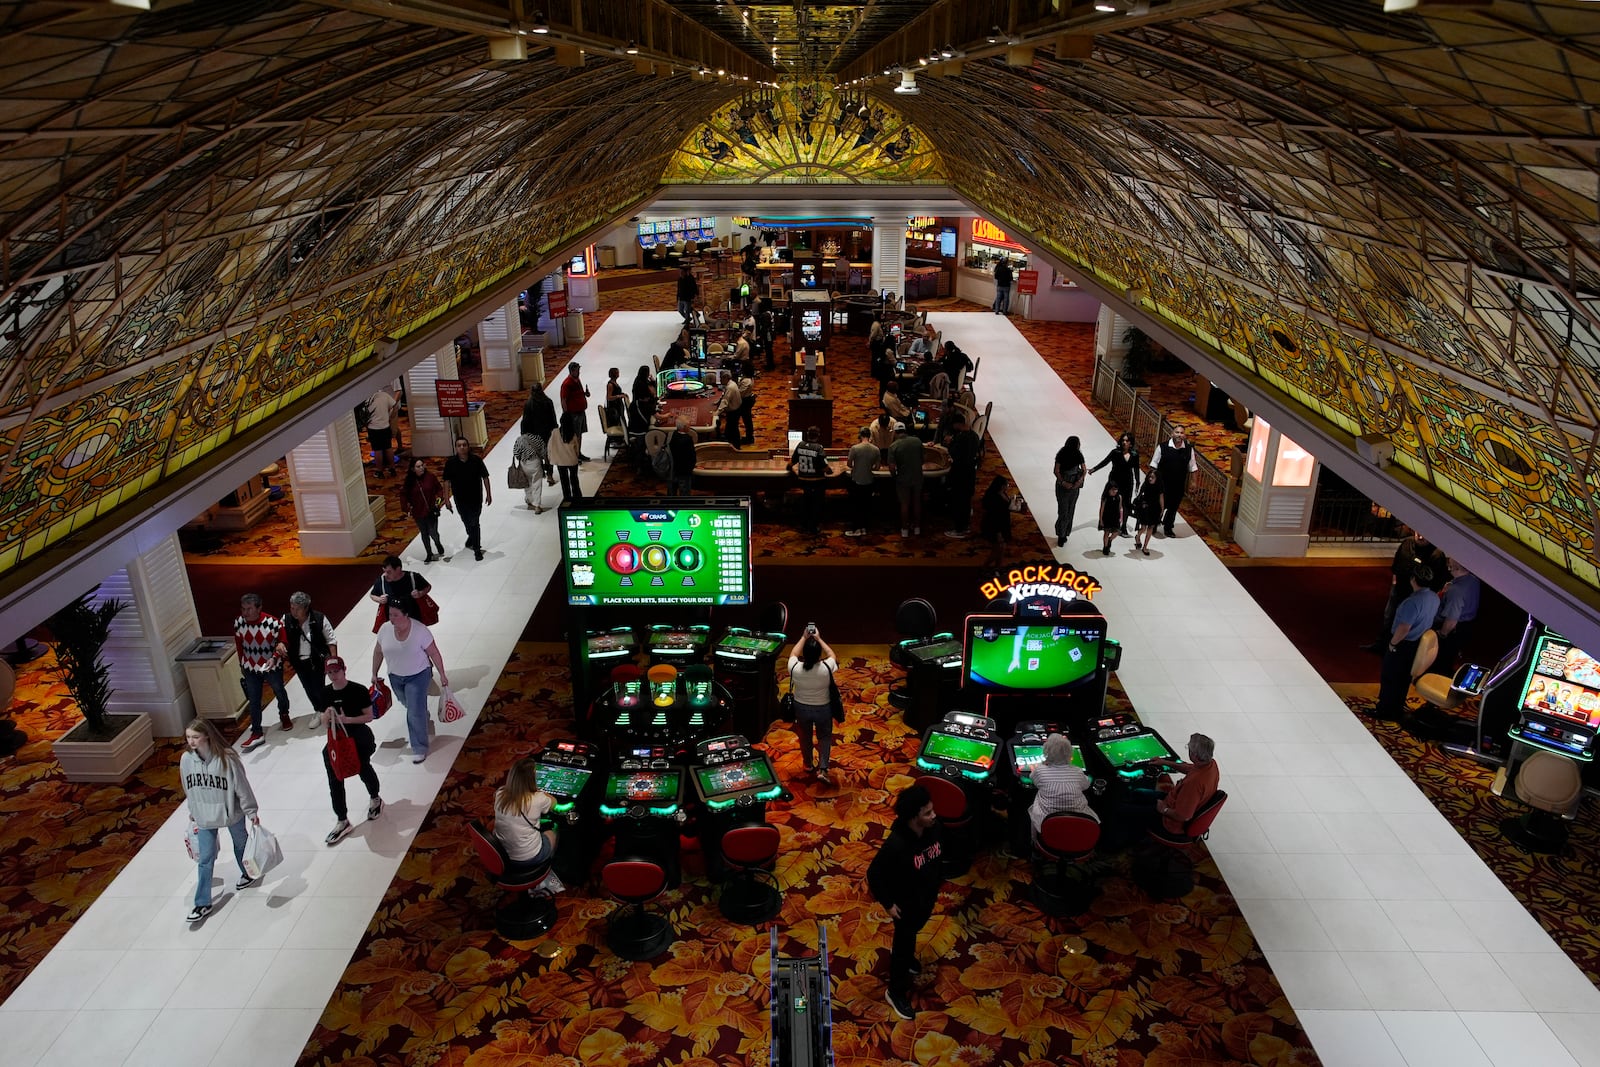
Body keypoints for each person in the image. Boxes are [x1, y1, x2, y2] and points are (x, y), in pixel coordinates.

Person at [867, 783, 944, 1021]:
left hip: (926, 897)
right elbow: (874, 874)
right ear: (913, 817)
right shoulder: (897, 845)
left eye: (932, 810)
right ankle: (896, 991)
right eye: (927, 813)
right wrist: (888, 904)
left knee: (914, 933)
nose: (934, 816)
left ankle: (908, 957)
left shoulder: (932, 829)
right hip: (905, 905)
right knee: (903, 945)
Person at [180, 718, 261, 922]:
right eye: (189, 737)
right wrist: (193, 809)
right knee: (205, 859)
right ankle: (202, 903)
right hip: (204, 816)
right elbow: (188, 788)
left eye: (195, 737)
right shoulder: (186, 760)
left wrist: (251, 810)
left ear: (207, 735)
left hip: (230, 812)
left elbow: (242, 786)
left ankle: (248, 873)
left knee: (241, 844)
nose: (191, 741)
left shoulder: (227, 758)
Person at [1104, 733, 1220, 850]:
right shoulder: (1210, 765)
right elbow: (1189, 769)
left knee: (1121, 810)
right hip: (1176, 801)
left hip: (1171, 821)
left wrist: (1163, 809)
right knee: (1138, 793)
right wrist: (1165, 762)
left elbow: (1184, 816)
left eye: (1188, 748)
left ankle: (1115, 844)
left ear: (1194, 755)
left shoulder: (1194, 784)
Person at [372, 601, 448, 763]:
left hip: (418, 675)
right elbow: (378, 652)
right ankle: (421, 712)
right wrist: (374, 672)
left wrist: (442, 674)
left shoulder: (420, 631)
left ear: (406, 614)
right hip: (395, 677)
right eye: (390, 615)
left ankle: (419, 747)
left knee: (413, 712)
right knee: (408, 704)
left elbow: (434, 653)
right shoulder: (385, 629)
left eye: (396, 615)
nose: (392, 619)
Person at [319, 656, 383, 846]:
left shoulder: (358, 690)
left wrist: (347, 720)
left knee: (363, 768)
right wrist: (328, 717)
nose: (333, 676)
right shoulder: (325, 693)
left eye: (336, 671)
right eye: (329, 673)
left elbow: (369, 716)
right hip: (336, 742)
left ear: (344, 669)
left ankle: (375, 798)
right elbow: (323, 721)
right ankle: (342, 819)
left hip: (359, 738)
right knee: (335, 778)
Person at [1374, 564, 1441, 719]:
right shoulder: (1434, 597)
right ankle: (1396, 707)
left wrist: (1392, 644)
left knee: (1390, 677)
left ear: (1413, 580)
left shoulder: (1412, 602)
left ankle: (1384, 710)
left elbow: (1404, 628)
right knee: (1403, 678)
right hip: (1417, 644)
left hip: (1403, 644)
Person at [1366, 529, 1448, 652]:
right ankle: (1381, 644)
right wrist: (1394, 583)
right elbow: (1396, 564)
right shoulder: (1407, 544)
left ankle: (1395, 647)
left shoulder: (1437, 554)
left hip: (1417, 597)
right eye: (1418, 533)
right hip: (1399, 589)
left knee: (1407, 623)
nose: (1420, 537)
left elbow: (1438, 581)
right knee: (1389, 617)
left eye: (1424, 535)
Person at [494, 757, 566, 893]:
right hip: (529, 858)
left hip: (501, 854)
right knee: (554, 829)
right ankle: (548, 868)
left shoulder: (499, 794)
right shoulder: (537, 799)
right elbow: (554, 803)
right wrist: (539, 791)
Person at [234, 593, 290, 750]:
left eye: (249, 609)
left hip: (271, 665)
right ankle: (256, 731)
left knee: (279, 690)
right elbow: (239, 645)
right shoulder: (239, 623)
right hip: (250, 667)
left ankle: (284, 713)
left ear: (259, 608)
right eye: (243, 609)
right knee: (253, 699)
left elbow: (283, 643)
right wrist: (242, 664)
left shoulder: (274, 624)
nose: (245, 613)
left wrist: (275, 657)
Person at [278, 590, 337, 728]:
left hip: (316, 661)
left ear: (306, 608)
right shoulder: (285, 620)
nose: (293, 611)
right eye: (292, 608)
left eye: (297, 609)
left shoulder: (319, 618)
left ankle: (325, 711)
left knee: (318, 687)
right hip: (298, 662)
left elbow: (331, 640)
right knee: (308, 688)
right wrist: (280, 643)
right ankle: (318, 709)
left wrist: (333, 661)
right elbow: (279, 637)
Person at [788, 625, 839, 784]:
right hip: (823, 708)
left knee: (805, 737)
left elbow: (793, 653)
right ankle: (823, 768)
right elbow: (832, 654)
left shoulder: (795, 667)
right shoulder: (826, 668)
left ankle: (808, 764)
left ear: (804, 654)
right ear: (819, 655)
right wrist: (818, 638)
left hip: (801, 708)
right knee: (824, 737)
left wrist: (804, 637)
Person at [1029, 734, 1098, 832]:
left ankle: (1034, 839)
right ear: (1070, 753)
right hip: (1079, 823)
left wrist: (1035, 769)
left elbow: (1034, 780)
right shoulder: (1078, 771)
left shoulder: (1040, 771)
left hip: (1047, 823)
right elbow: (1086, 785)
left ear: (1046, 752)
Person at [441, 436, 491, 562]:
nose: (462, 447)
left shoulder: (476, 460)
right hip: (460, 499)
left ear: (468, 447)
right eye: (459, 445)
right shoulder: (451, 463)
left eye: (464, 445)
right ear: (456, 448)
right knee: (466, 521)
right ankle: (471, 537)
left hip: (475, 498)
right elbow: (446, 482)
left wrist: (489, 494)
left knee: (475, 522)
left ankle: (477, 549)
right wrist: (446, 500)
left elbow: (485, 477)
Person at [1088, 432, 1140, 534]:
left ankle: (1123, 526)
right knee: (1108, 500)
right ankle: (1103, 522)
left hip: (1128, 482)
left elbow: (1136, 469)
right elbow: (1105, 462)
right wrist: (1094, 469)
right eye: (1123, 440)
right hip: (1114, 481)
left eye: (1127, 441)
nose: (1124, 442)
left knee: (1126, 504)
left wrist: (1138, 481)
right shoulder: (1115, 452)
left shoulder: (1135, 455)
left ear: (1131, 443)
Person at [1150, 425, 1197, 537]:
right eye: (1177, 432)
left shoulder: (1189, 449)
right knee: (1159, 505)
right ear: (1172, 434)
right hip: (1162, 484)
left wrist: (1194, 482)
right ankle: (1154, 523)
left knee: (1173, 508)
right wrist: (1152, 480)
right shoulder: (1162, 447)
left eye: (1181, 433)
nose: (1179, 435)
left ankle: (1168, 527)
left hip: (1178, 485)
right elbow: (1154, 464)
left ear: (1184, 436)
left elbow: (1193, 467)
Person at [1435, 558, 1481, 671]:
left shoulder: (1455, 591)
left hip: (1453, 629)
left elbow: (1451, 620)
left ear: (1455, 568)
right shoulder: (1474, 580)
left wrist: (1442, 634)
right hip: (1466, 626)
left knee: (1442, 659)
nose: (1447, 566)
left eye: (1449, 564)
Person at [787, 426, 832, 535]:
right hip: (817, 481)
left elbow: (790, 464)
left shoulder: (800, 445)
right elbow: (825, 468)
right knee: (816, 504)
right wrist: (831, 472)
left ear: (807, 435)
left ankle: (803, 525)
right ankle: (813, 527)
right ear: (818, 436)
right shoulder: (819, 448)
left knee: (806, 502)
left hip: (803, 481)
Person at [942, 412, 981, 539]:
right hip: (970, 473)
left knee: (959, 501)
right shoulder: (974, 436)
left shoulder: (960, 438)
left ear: (957, 424)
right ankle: (965, 526)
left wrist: (950, 443)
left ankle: (960, 529)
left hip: (960, 474)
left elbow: (954, 454)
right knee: (966, 501)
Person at [401, 458, 447, 562]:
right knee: (424, 533)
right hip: (418, 513)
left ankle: (437, 543)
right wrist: (406, 508)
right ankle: (429, 553)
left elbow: (439, 489)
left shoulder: (430, 477)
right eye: (418, 466)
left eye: (422, 465)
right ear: (413, 469)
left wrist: (439, 499)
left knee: (433, 532)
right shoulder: (409, 482)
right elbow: (403, 495)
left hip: (431, 511)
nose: (421, 468)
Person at [887, 423, 924, 538]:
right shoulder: (917, 441)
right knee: (917, 502)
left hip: (903, 479)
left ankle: (905, 529)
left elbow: (892, 467)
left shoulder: (893, 446)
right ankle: (917, 528)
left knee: (904, 504)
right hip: (917, 477)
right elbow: (923, 459)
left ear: (895, 432)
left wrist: (894, 476)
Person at [369, 555, 433, 621]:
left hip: (414, 618)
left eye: (388, 572)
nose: (385, 574)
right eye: (384, 571)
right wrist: (379, 599)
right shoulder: (381, 581)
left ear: (398, 569)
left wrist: (420, 593)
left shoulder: (413, 577)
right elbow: (372, 595)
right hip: (393, 621)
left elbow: (428, 586)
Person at [844, 426, 880, 537]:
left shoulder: (855, 448)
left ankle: (856, 529)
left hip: (857, 480)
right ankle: (864, 528)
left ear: (860, 436)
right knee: (866, 505)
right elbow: (877, 467)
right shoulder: (876, 449)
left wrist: (858, 466)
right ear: (870, 436)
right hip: (869, 480)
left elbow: (849, 464)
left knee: (856, 506)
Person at [512, 426, 556, 512]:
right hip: (535, 463)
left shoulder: (519, 439)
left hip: (524, 463)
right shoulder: (537, 438)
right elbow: (544, 452)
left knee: (527, 483)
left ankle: (530, 500)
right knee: (537, 483)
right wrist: (546, 463)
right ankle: (537, 506)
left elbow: (516, 453)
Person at [1052, 435, 1086, 548]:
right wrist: (1063, 482)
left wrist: (1079, 481)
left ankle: (1065, 533)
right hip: (1063, 486)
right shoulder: (1061, 454)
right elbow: (1056, 470)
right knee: (1063, 511)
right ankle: (1061, 534)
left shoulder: (1078, 454)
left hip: (1073, 486)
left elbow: (1084, 470)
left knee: (1070, 510)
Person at [548, 411, 583, 504]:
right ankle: (578, 500)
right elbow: (577, 449)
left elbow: (550, 446)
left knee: (564, 482)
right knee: (574, 480)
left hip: (560, 461)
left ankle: (567, 500)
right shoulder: (573, 434)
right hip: (572, 460)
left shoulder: (555, 432)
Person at [560, 363, 592, 462]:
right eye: (577, 370)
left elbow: (578, 393)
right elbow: (563, 399)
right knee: (574, 435)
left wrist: (585, 393)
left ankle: (578, 453)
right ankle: (573, 455)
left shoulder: (577, 380)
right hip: (573, 414)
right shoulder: (567, 383)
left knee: (579, 434)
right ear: (572, 371)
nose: (579, 372)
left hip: (581, 412)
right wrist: (566, 414)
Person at [981, 476, 1014, 569]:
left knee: (1001, 548)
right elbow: (994, 517)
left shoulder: (1002, 493)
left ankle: (997, 568)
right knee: (998, 549)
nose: (1008, 486)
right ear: (1002, 486)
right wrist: (998, 533)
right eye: (1007, 484)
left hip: (1003, 523)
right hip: (995, 526)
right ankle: (985, 567)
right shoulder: (994, 498)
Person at [365, 386, 399, 477]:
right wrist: (388, 414)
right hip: (385, 426)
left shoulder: (367, 399)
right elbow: (394, 404)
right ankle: (392, 469)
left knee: (377, 450)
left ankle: (379, 471)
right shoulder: (384, 395)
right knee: (388, 447)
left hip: (373, 427)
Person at [1132, 467, 1163, 555]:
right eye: (1149, 477)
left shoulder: (1159, 486)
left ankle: (1145, 546)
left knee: (1150, 528)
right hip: (1145, 508)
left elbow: (1161, 498)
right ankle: (1138, 537)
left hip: (1155, 509)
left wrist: (1162, 509)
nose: (1150, 478)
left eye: (1152, 477)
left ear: (1157, 478)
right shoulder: (1145, 485)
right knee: (1143, 528)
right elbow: (1140, 496)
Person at [667, 416, 697, 496]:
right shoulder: (688, 439)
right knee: (684, 493)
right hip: (684, 471)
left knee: (671, 492)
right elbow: (691, 456)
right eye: (689, 425)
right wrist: (692, 467)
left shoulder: (672, 435)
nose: (690, 426)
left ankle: (670, 506)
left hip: (672, 468)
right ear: (684, 427)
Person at [715, 374, 744, 446]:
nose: (720, 381)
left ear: (726, 379)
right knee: (730, 426)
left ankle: (736, 445)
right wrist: (717, 402)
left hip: (734, 411)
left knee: (733, 428)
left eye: (721, 379)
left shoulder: (730, 387)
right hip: (736, 408)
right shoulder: (732, 383)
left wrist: (716, 413)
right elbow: (724, 396)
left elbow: (725, 401)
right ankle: (727, 440)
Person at [1098, 480, 1124, 556]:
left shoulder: (1119, 497)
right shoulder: (1105, 498)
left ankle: (1110, 540)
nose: (1115, 491)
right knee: (1106, 532)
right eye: (1113, 489)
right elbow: (1101, 509)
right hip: (1107, 517)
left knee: (1117, 532)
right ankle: (1105, 547)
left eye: (1116, 489)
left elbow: (1120, 508)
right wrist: (1101, 520)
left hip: (1115, 518)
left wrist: (1121, 518)